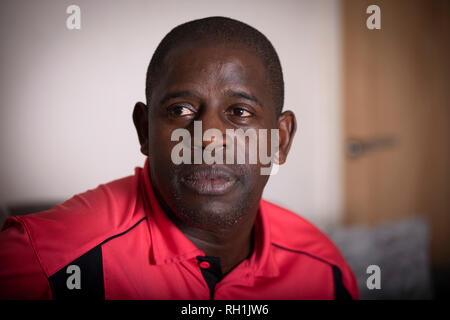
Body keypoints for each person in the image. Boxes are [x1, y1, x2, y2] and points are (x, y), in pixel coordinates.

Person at [0, 16, 358, 299]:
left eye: (240, 112)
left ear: (280, 139)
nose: (208, 138)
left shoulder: (325, 271)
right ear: (144, 130)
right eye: (181, 109)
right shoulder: (41, 262)